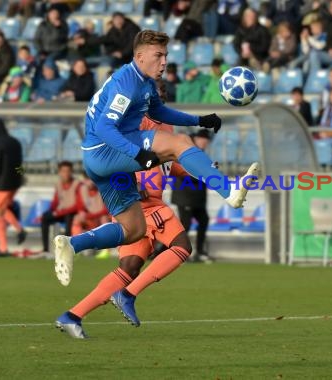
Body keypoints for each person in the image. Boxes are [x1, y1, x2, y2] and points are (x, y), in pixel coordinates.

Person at [53, 30, 258, 288]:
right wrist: (138, 154)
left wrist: (199, 120)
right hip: (105, 150)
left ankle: (72, 244)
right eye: (158, 55)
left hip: (97, 160)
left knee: (133, 230)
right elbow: (105, 128)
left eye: (166, 56)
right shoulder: (127, 83)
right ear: (140, 56)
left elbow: (159, 111)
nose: (164, 62)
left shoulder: (144, 82)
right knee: (179, 143)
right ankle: (229, 190)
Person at [56, 114, 193, 337]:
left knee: (128, 268)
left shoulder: (162, 142)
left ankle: (72, 316)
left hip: (139, 210)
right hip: (145, 208)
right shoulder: (138, 138)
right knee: (182, 246)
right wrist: (135, 188)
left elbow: (173, 167)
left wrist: (201, 169)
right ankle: (127, 295)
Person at [0, 118, 27, 256]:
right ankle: (3, 248)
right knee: (0, 212)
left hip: (1, 183)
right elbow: (19, 163)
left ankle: (18, 231)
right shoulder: (15, 142)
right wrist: (19, 176)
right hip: (14, 182)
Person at [171, 129, 213, 263]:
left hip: (197, 199)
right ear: (197, 139)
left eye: (207, 141)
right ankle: (174, 252)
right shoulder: (188, 151)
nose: (205, 143)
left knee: (203, 221)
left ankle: (199, 252)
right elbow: (186, 173)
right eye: (203, 139)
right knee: (185, 225)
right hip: (185, 196)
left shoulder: (200, 153)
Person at [39, 161, 80, 256]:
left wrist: (59, 213)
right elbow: (55, 202)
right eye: (63, 171)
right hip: (62, 213)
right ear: (60, 172)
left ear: (71, 172)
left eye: (68, 171)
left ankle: (67, 249)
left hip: (73, 212)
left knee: (69, 218)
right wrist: (49, 212)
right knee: (45, 218)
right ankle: (45, 250)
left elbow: (78, 205)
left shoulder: (77, 184)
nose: (66, 173)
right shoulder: (58, 184)